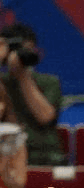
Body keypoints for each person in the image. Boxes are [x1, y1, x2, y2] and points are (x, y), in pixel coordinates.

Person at [0, 23, 64, 166]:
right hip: (8, 157)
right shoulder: (2, 83)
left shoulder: (49, 82)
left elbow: (45, 116)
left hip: (45, 156)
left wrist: (22, 76)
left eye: (27, 49)